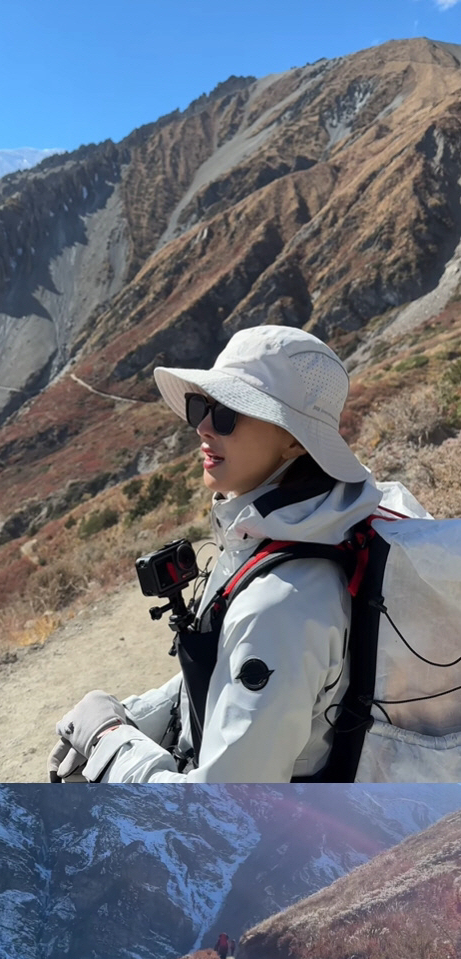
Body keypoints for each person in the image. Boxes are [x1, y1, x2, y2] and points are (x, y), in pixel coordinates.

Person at [48, 324, 388, 787]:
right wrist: (130, 716)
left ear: (294, 440)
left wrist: (110, 740)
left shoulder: (280, 604)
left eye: (228, 413)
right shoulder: (300, 527)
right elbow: (225, 678)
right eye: (200, 406)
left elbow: (219, 815)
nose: (204, 426)